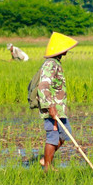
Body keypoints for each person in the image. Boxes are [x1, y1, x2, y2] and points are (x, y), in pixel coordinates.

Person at [37, 32, 78, 171]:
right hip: (52, 108)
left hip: (59, 108)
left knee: (66, 134)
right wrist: (50, 106)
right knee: (53, 136)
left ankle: (45, 159)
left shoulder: (55, 63)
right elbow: (43, 86)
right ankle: (47, 167)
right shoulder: (50, 64)